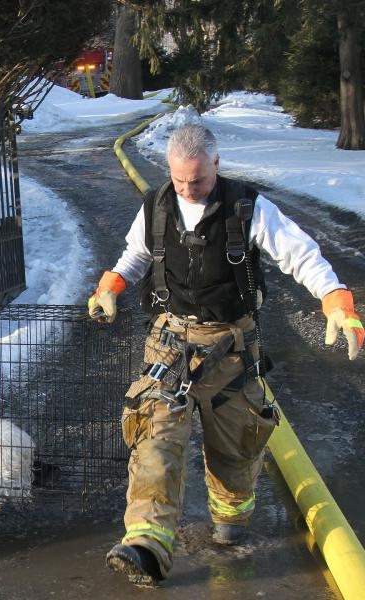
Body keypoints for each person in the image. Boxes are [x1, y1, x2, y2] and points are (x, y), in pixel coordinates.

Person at [88, 123, 363, 587]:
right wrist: (110, 285)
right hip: (169, 341)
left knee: (235, 447)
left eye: (198, 180)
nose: (188, 189)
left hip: (230, 346)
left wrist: (337, 300)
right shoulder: (156, 204)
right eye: (180, 181)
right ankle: (147, 544)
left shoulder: (248, 209)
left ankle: (229, 518)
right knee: (155, 436)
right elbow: (135, 255)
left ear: (216, 165)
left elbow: (304, 257)